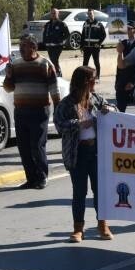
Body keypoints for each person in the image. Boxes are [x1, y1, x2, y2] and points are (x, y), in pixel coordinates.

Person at [54, 66, 115, 242]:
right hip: (77, 152)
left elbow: (113, 110)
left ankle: (102, 224)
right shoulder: (67, 103)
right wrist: (78, 124)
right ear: (85, 82)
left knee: (100, 190)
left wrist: (109, 110)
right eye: (93, 79)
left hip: (97, 151)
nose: (95, 82)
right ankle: (78, 228)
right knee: (79, 192)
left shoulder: (95, 99)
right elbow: (59, 125)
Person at [3, 35, 61, 189]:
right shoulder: (15, 64)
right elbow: (9, 88)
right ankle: (30, 178)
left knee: (37, 145)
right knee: (24, 147)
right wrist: (8, 77)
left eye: (24, 46)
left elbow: (54, 88)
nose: (21, 49)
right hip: (21, 111)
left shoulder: (45, 64)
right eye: (20, 46)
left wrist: (58, 108)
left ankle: (42, 177)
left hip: (39, 111)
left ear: (34, 48)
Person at [114, 25, 135, 113]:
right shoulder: (122, 43)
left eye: (129, 29)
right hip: (122, 81)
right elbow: (119, 66)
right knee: (120, 110)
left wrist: (133, 82)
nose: (126, 31)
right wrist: (117, 82)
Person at [41, 8, 69, 77]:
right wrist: (45, 42)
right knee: (52, 60)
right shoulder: (47, 24)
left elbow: (67, 34)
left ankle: (58, 73)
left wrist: (62, 41)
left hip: (58, 46)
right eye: (52, 13)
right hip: (49, 46)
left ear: (58, 14)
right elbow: (44, 34)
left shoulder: (61, 24)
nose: (53, 15)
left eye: (55, 13)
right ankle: (56, 72)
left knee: (54, 59)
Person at [80, 9, 106, 80]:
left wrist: (99, 43)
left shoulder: (98, 24)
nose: (90, 15)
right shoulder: (85, 23)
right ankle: (84, 77)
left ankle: (97, 77)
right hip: (86, 47)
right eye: (88, 14)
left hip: (95, 47)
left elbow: (103, 35)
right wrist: (81, 46)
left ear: (94, 14)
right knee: (85, 63)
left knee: (96, 62)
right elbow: (83, 35)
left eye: (91, 13)